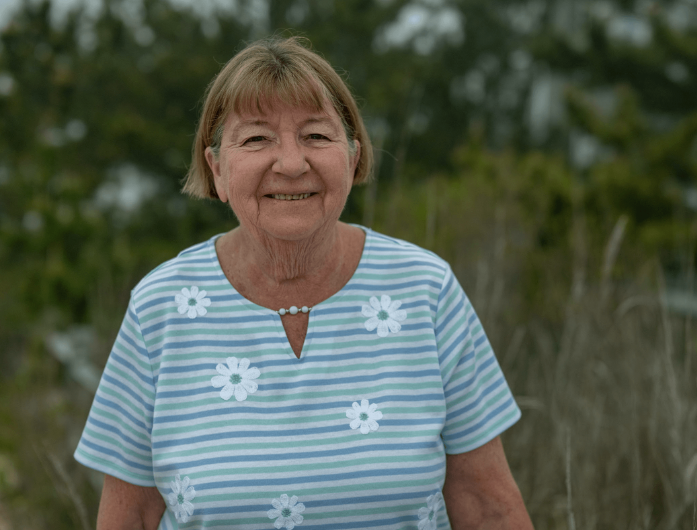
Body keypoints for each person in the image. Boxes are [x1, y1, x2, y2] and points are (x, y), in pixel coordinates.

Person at [74, 36, 534, 530]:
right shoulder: (159, 309)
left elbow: (487, 508)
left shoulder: (425, 291)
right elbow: (130, 517)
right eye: (257, 139)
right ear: (217, 169)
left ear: (353, 157)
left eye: (316, 135)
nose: (292, 163)